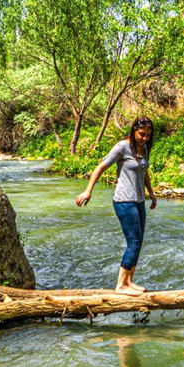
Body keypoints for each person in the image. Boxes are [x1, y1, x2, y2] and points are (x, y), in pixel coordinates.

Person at [75, 116, 158, 296]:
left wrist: (150, 192)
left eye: (148, 135)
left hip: (139, 201)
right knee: (133, 242)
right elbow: (100, 168)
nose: (144, 138)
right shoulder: (122, 147)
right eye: (141, 134)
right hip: (124, 201)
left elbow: (144, 171)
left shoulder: (143, 148)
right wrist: (88, 191)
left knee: (139, 242)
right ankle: (120, 286)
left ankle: (129, 281)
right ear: (134, 131)